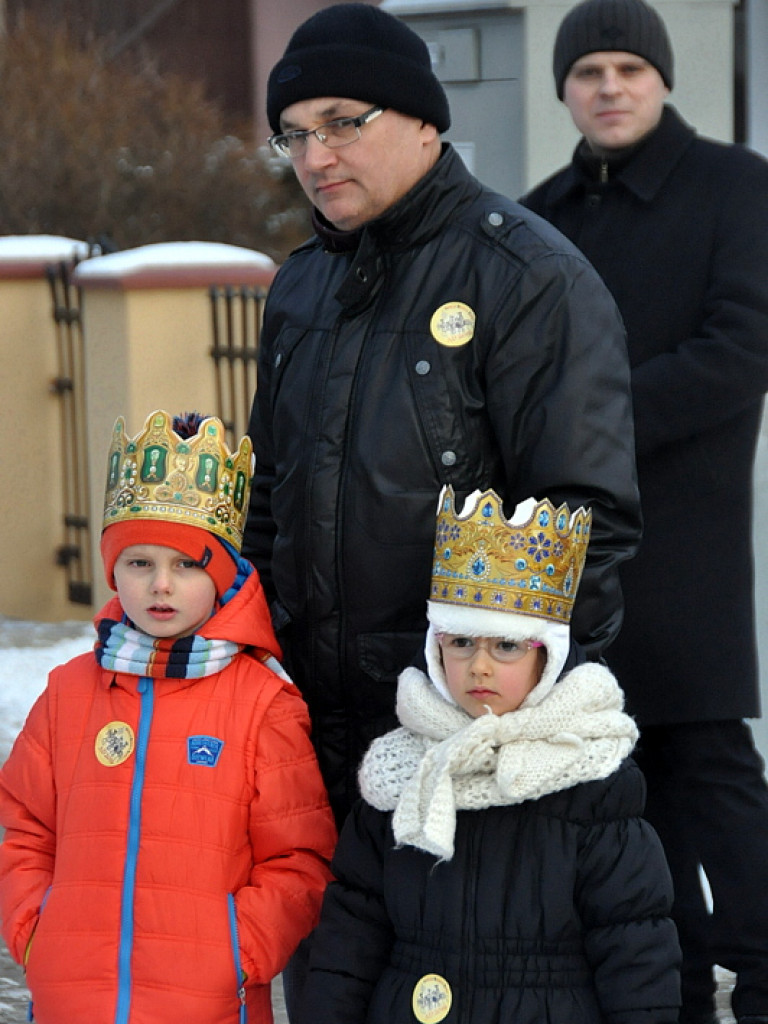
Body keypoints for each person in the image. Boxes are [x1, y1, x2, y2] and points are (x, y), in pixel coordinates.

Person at [243, 1, 642, 831]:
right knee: (329, 963)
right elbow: (268, 500)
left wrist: (509, 731)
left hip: (465, 750)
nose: (316, 157)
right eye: (294, 136)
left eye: (341, 124)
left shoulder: (527, 277)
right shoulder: (300, 286)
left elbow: (579, 530)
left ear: (424, 120)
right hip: (306, 740)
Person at [521, 1, 768, 1021]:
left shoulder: (737, 188)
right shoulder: (540, 216)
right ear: (565, 90)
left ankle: (762, 972)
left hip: (692, 535)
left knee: (710, 770)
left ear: (662, 79)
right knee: (616, 775)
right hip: (578, 549)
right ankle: (662, 982)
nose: (609, 86)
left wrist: (598, 423)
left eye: (628, 66)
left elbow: (742, 346)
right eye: (588, 71)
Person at [296, 486, 681, 1024]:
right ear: (435, 648)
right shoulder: (401, 773)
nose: (479, 667)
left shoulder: (592, 786)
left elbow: (636, 952)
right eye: (460, 643)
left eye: (505, 646)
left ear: (547, 656)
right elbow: (351, 934)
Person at [0, 409, 337, 1024]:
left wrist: (238, 951)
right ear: (112, 571)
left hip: (209, 1003)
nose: (162, 585)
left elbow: (298, 857)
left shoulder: (263, 704)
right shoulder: (68, 693)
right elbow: (25, 828)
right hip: (74, 999)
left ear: (223, 576)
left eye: (186, 565)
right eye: (139, 563)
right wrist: (34, 934)